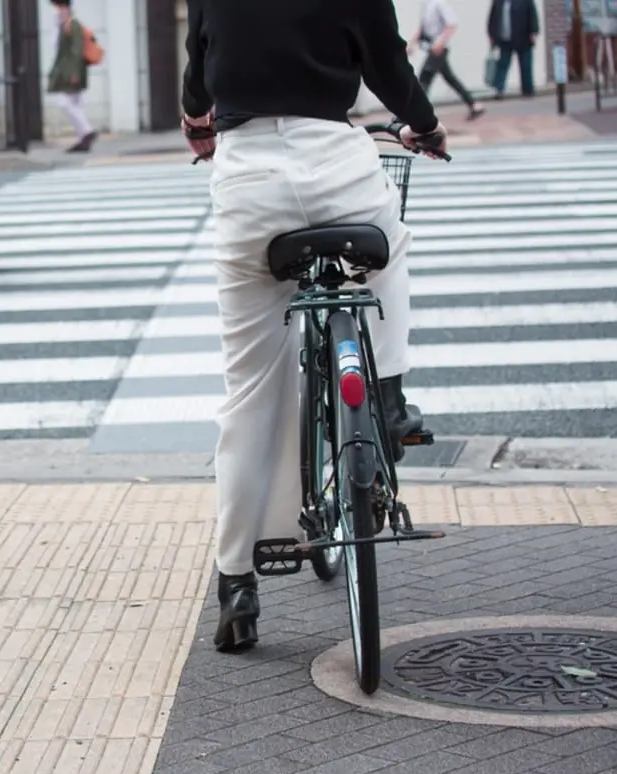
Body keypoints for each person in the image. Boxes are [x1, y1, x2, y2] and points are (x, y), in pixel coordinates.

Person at [180, 0, 447, 653]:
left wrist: (196, 121)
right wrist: (425, 126)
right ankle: (387, 398)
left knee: (250, 393)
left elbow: (198, 70)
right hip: (339, 171)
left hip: (248, 184)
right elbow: (388, 66)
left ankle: (238, 584)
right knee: (389, 249)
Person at [409, 0, 486, 120]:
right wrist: (412, 44)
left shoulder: (440, 4)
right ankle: (473, 104)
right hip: (430, 47)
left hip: (438, 49)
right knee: (449, 78)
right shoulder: (427, 5)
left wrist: (440, 42)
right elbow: (422, 28)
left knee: (424, 78)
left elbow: (451, 24)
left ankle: (419, 112)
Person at [47, 0, 97, 153]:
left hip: (71, 72)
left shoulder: (72, 25)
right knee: (76, 104)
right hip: (68, 71)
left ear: (65, 7)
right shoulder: (63, 25)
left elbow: (76, 50)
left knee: (65, 103)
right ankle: (83, 138)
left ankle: (87, 132)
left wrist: (74, 73)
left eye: (59, 7)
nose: (57, 10)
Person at [487, 0, 540, 98]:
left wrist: (534, 31)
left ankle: (527, 90)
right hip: (505, 39)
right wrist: (492, 35)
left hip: (523, 37)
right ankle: (498, 90)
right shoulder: (498, 2)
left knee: (526, 65)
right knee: (502, 65)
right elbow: (492, 18)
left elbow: (532, 14)